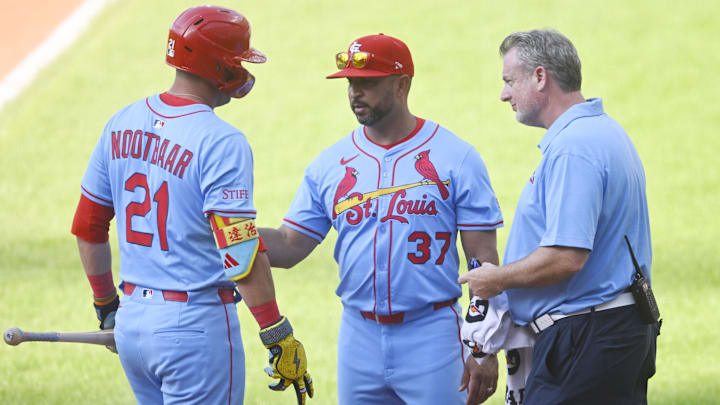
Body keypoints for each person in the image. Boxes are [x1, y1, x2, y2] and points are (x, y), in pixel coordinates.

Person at [71, 6, 312, 405]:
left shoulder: (121, 122)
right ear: (219, 66)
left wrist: (107, 307)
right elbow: (238, 249)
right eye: (236, 61)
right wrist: (276, 332)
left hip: (133, 323)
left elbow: (88, 226)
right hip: (194, 331)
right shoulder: (220, 141)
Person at [260, 33, 504, 405]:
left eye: (368, 83)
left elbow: (483, 263)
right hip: (358, 336)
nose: (355, 92)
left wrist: (482, 347)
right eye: (350, 83)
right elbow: (290, 245)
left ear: (402, 84)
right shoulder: (331, 163)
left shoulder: (456, 157)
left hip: (432, 335)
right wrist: (233, 232)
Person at [459, 29, 660, 404]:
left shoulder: (574, 149)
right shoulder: (605, 131)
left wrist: (496, 279)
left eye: (509, 81)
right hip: (612, 330)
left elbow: (567, 257)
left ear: (540, 76)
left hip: (585, 338)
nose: (504, 94)